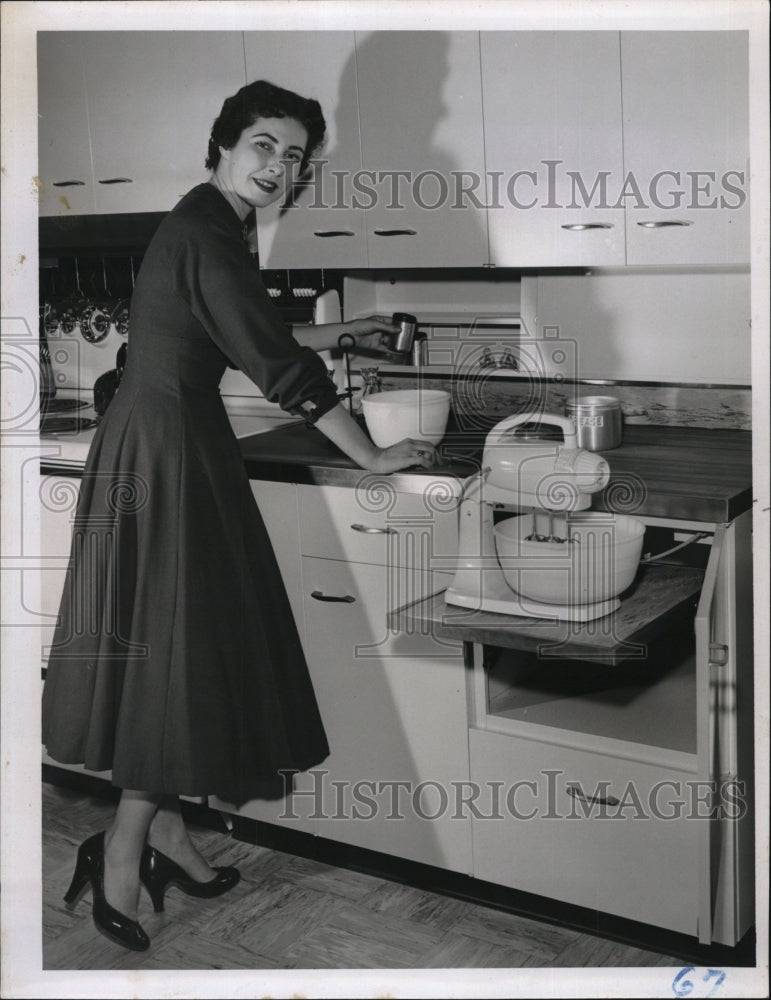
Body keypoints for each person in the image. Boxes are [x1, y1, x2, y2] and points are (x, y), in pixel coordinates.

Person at [41, 79, 437, 953]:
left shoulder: (210, 223)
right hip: (169, 453)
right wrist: (370, 455)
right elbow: (275, 367)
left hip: (165, 443)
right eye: (264, 145)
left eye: (294, 157)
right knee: (175, 656)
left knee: (182, 649)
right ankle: (118, 850)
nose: (278, 167)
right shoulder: (206, 232)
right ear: (222, 145)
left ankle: (166, 831)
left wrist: (345, 332)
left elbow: (236, 328)